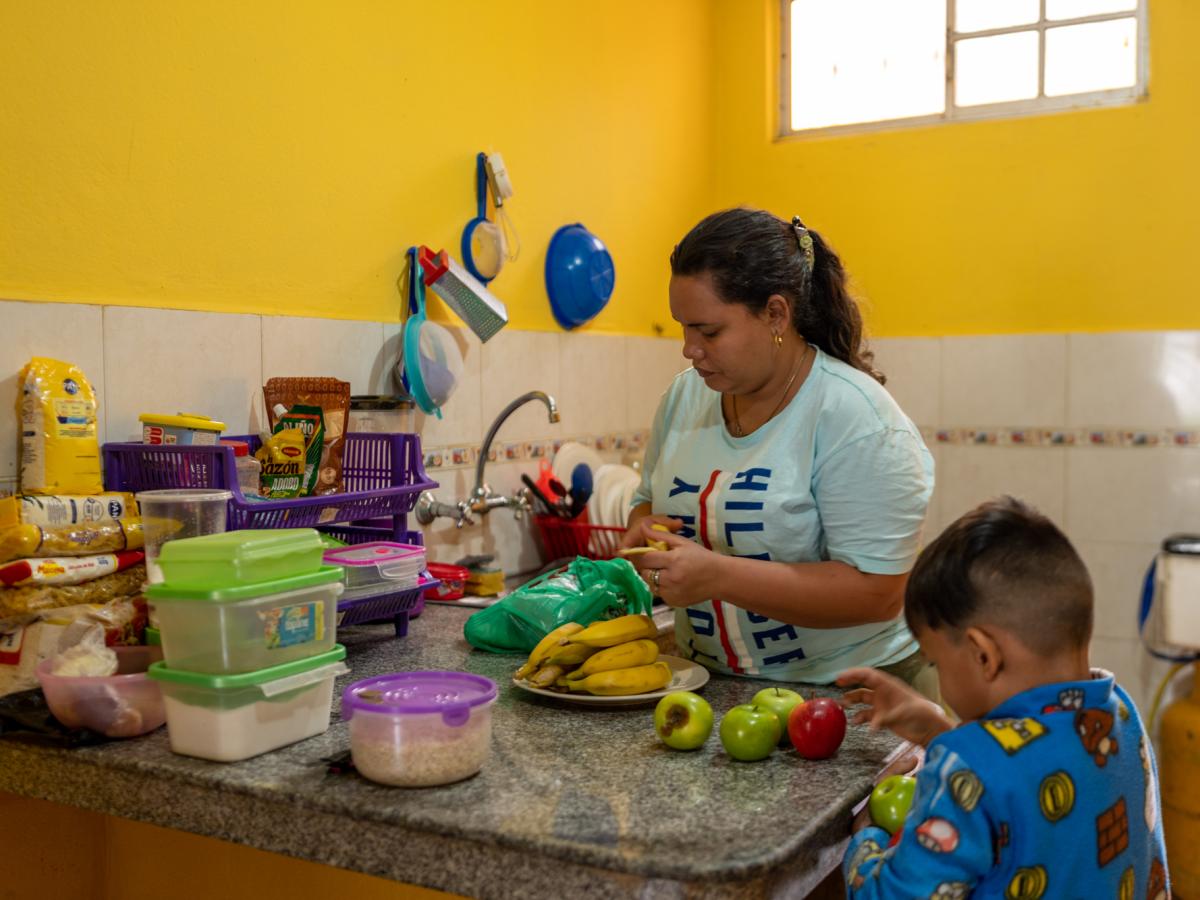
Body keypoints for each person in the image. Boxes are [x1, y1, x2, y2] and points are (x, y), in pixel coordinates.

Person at [623, 207, 934, 684]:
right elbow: (647, 501)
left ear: (775, 313)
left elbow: (879, 594)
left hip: (854, 696)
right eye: (683, 327)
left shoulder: (855, 418)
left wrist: (717, 577)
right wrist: (643, 534)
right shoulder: (685, 397)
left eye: (709, 331)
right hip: (712, 687)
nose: (689, 349)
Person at [837, 497, 1169, 899]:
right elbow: (1028, 777)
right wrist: (940, 732)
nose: (938, 676)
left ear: (983, 655)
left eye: (935, 662)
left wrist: (864, 839)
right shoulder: (1120, 714)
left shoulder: (965, 768)